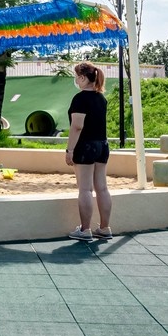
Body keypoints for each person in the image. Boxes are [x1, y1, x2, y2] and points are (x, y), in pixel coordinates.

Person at [65, 62, 113, 241]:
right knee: (102, 188)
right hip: (102, 145)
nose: (76, 79)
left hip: (85, 146)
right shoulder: (101, 98)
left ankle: (85, 230)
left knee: (85, 189)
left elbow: (77, 127)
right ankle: (104, 227)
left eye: (77, 76)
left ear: (83, 78)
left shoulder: (80, 99)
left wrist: (70, 150)